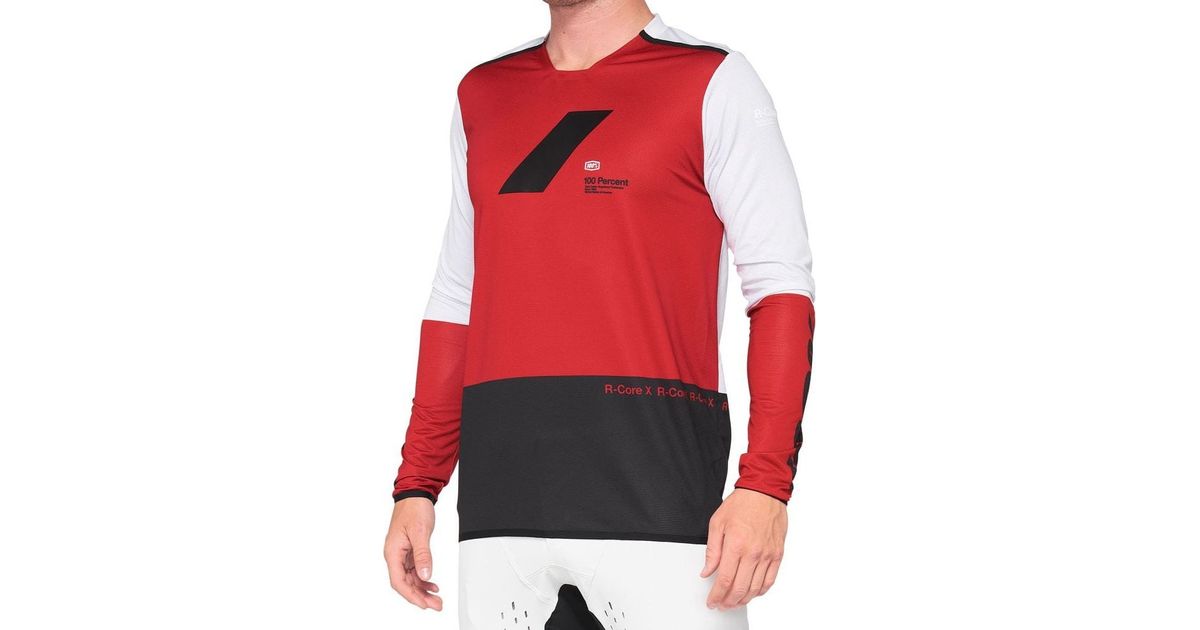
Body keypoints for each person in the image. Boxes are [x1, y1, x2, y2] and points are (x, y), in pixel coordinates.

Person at [384, 1, 816, 628]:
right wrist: (418, 484)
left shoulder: (712, 80)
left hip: (659, 499)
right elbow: (457, 296)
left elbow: (779, 288)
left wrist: (766, 484)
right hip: (503, 508)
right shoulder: (483, 92)